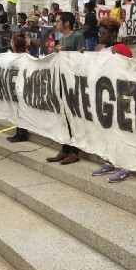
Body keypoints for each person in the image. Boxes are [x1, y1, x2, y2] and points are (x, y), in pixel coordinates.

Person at [89, 17, 135, 183]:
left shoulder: (121, 48)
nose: (100, 35)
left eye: (104, 32)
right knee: (109, 131)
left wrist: (119, 58)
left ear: (113, 34)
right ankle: (110, 161)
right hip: (106, 97)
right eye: (99, 32)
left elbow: (130, 68)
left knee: (122, 131)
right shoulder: (102, 51)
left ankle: (126, 167)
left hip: (121, 95)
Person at [46, 12, 86, 165]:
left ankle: (74, 151)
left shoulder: (77, 36)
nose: (56, 24)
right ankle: (65, 148)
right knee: (65, 116)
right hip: (63, 81)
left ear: (67, 23)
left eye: (57, 22)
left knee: (73, 116)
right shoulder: (62, 38)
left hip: (74, 83)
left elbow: (81, 59)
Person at [6, 33, 31, 142]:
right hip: (15, 86)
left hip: (23, 87)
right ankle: (18, 132)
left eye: (12, 42)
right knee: (16, 110)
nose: (11, 44)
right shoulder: (15, 56)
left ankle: (22, 133)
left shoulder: (26, 57)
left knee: (22, 110)